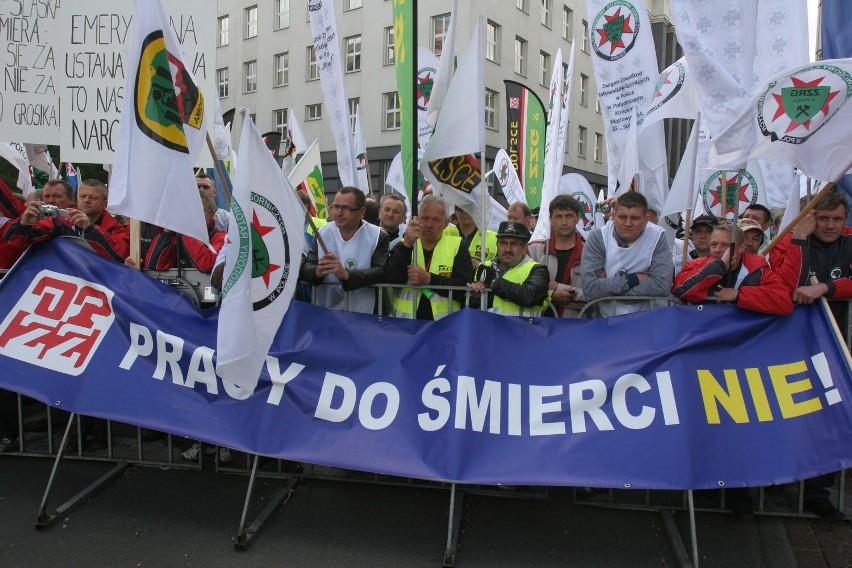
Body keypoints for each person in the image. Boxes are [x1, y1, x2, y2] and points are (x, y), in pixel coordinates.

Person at [580, 192, 674, 316]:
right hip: (606, 321)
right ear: (613, 216)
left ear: (646, 220)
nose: (628, 224)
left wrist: (609, 287)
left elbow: (661, 286)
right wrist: (634, 278)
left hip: (649, 321)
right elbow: (591, 289)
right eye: (622, 217)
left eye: (635, 218)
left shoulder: (657, 237)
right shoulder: (598, 238)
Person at [672, 224, 798, 315]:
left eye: (726, 245)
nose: (717, 250)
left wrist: (739, 295)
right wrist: (718, 267)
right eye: (714, 245)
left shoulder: (757, 269)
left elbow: (783, 302)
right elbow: (680, 290)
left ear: (742, 247)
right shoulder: (696, 265)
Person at [299, 186, 390, 314]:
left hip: (363, 314)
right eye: (336, 207)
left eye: (346, 208)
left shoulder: (377, 236)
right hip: (326, 313)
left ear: (362, 212)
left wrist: (346, 274)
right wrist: (318, 271)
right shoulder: (322, 232)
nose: (339, 213)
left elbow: (381, 272)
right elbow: (307, 266)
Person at [386, 195, 473, 320]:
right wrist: (406, 246)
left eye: (436, 220)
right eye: (425, 218)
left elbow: (464, 287)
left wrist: (429, 279)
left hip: (445, 325)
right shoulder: (403, 244)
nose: (429, 225)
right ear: (415, 219)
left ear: (446, 223)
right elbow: (392, 280)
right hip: (405, 325)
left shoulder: (457, 246)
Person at [4, 179, 130, 263]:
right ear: (76, 198)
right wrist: (24, 224)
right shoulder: (62, 220)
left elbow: (121, 255)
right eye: (82, 196)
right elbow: (16, 244)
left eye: (93, 197)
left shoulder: (116, 228)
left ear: (105, 203)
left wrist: (90, 230)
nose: (86, 200)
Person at [468, 221, 549, 316]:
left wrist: (492, 281)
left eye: (514, 244)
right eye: (503, 243)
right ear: (497, 245)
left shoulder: (537, 269)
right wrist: (475, 296)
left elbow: (529, 296)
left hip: (522, 329)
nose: (508, 249)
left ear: (524, 248)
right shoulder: (485, 266)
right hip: (489, 329)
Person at [526, 194, 585, 317]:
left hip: (575, 328)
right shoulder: (534, 249)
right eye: (559, 216)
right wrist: (551, 295)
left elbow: (595, 295)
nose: (564, 222)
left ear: (578, 217)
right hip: (538, 326)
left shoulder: (590, 253)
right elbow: (521, 286)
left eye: (569, 216)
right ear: (550, 219)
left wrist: (557, 286)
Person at [143, 192, 226, 273]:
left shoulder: (221, 237)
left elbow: (206, 265)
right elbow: (154, 266)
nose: (193, 215)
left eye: (199, 210)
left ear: (212, 214)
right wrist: (167, 232)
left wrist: (186, 229)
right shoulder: (177, 236)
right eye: (189, 211)